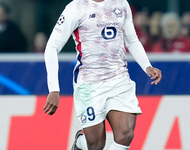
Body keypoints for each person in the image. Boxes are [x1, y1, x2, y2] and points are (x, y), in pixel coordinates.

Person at [43, 0, 162, 149]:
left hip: (119, 79)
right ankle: (81, 142)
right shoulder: (76, 7)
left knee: (125, 134)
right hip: (89, 84)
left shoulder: (121, 4)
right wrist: (54, 89)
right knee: (96, 145)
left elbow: (131, 40)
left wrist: (147, 66)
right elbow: (52, 47)